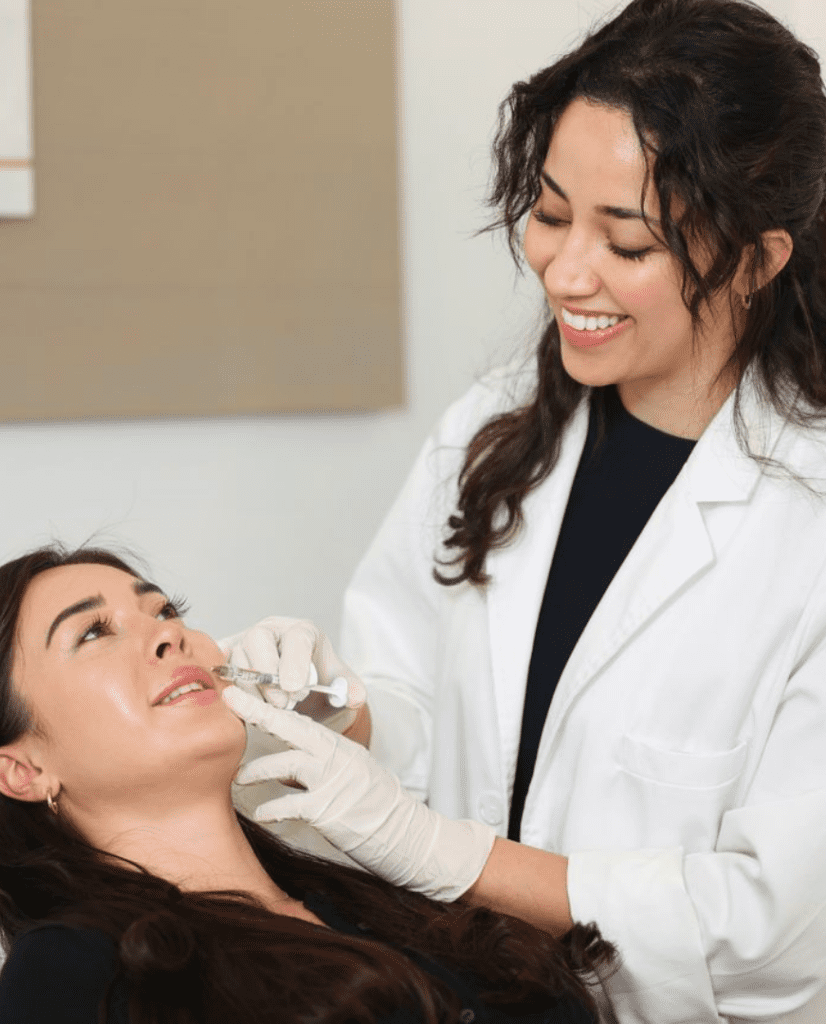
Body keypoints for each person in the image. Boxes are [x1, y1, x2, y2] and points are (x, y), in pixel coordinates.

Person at [221, 1, 826, 1021]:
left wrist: (450, 857)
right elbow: (415, 691)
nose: (564, 270)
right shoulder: (492, 429)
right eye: (549, 214)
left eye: (626, 242)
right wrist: (342, 711)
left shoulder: (803, 523)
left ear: (761, 260)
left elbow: (770, 935)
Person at [0, 544, 613, 1024]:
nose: (168, 636)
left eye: (165, 610)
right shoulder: (74, 968)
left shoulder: (369, 899)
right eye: (93, 633)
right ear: (24, 772)